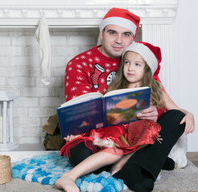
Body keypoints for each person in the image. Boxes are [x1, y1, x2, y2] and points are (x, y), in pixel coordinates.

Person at [59, 8, 195, 191]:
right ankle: (146, 161)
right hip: (99, 135)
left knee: (175, 118)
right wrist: (76, 128)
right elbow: (78, 112)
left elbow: (165, 103)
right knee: (82, 155)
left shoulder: (140, 57)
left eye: (126, 34)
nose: (118, 40)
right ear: (102, 33)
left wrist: (155, 112)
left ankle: (135, 166)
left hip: (136, 131)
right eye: (112, 32)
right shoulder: (79, 63)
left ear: (133, 37)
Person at [56, 41, 168, 192]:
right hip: (113, 131)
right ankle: (69, 177)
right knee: (116, 148)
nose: (130, 68)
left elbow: (173, 110)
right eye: (127, 62)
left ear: (147, 69)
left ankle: (119, 166)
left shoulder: (155, 90)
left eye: (137, 64)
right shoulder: (116, 88)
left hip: (135, 132)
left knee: (151, 130)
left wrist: (188, 115)